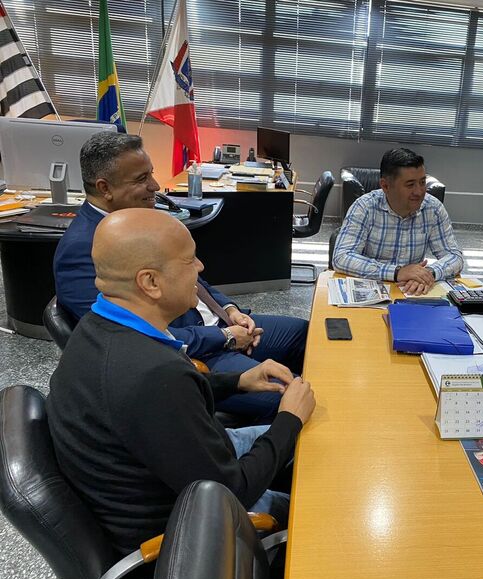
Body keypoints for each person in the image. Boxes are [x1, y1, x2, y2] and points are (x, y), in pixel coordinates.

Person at [47, 208, 316, 561]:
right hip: (192, 529)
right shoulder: (152, 374)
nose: (200, 267)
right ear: (150, 282)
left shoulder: (99, 327)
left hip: (184, 466)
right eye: (189, 260)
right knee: (321, 503)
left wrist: (238, 381)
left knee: (319, 436)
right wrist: (289, 420)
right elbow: (233, 491)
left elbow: (168, 402)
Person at [53, 131, 308, 419]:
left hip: (220, 324)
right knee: (295, 398)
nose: (155, 185)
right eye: (141, 179)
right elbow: (131, 337)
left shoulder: (138, 217)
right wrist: (224, 337)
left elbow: (192, 275)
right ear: (104, 188)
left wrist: (230, 310)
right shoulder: (81, 250)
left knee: (305, 335)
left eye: (151, 174)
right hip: (197, 354)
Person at [332, 148, 463, 295]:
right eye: (410, 185)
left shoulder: (433, 208)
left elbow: (454, 257)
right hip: (370, 290)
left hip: (411, 292)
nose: (419, 192)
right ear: (385, 186)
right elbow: (341, 257)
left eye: (422, 182)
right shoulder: (364, 207)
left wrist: (428, 273)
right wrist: (397, 272)